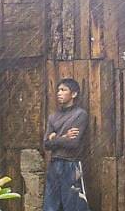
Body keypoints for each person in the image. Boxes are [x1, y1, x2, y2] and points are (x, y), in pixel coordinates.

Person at [42, 78, 90, 211]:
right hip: (54, 164)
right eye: (58, 90)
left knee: (73, 205)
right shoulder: (53, 116)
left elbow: (73, 143)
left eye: (63, 90)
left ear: (73, 94)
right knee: (50, 205)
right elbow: (46, 144)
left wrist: (55, 138)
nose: (59, 93)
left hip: (71, 164)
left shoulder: (80, 115)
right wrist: (64, 137)